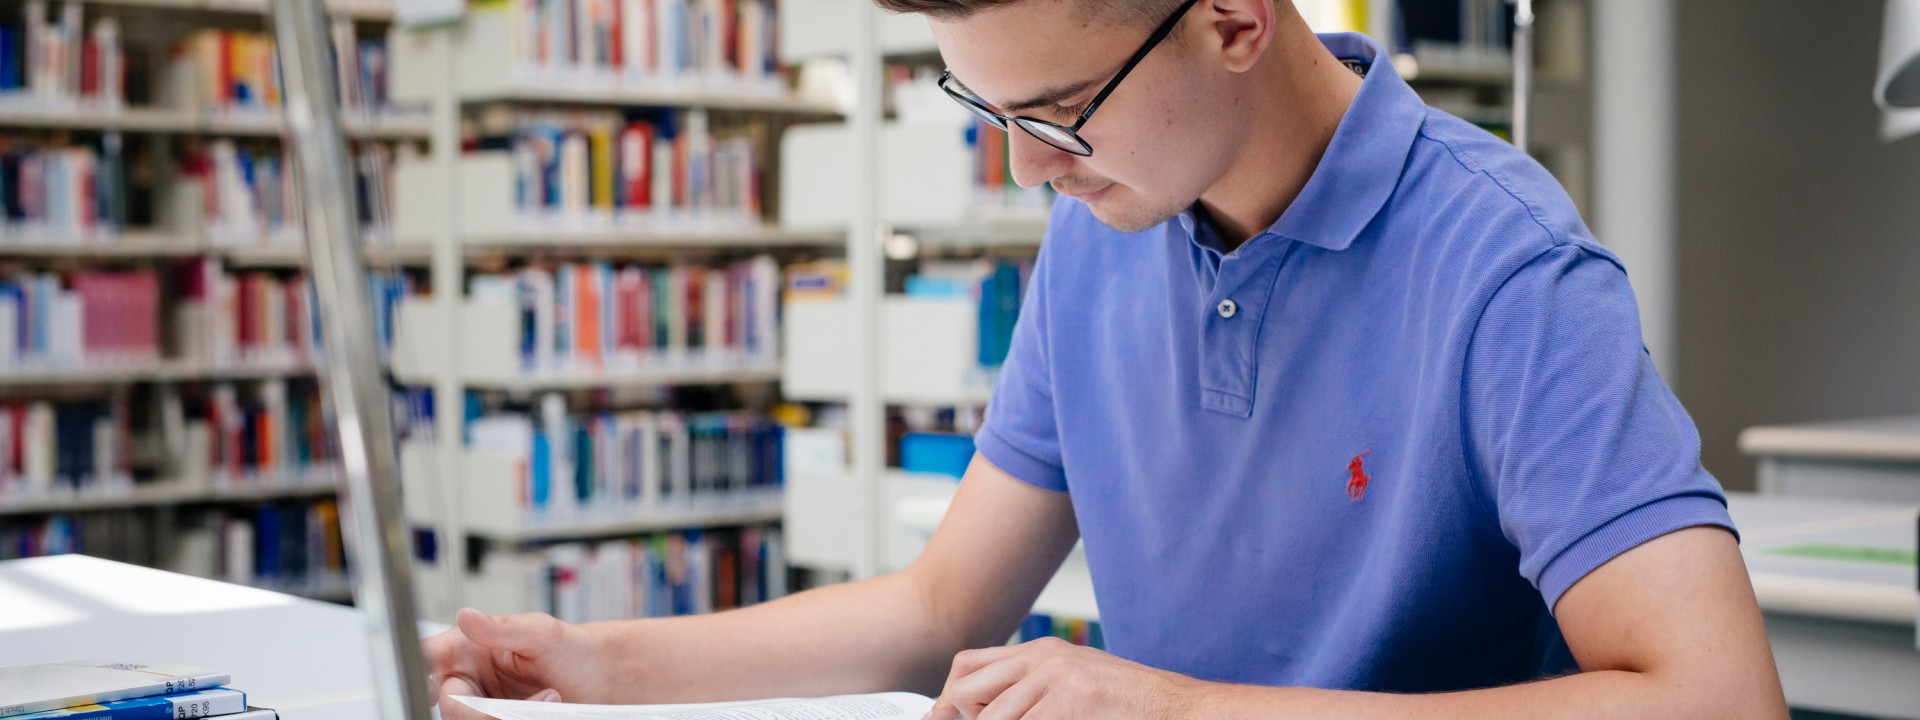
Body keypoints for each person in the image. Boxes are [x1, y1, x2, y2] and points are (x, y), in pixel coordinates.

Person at [425, 1, 1790, 717]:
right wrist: (595, 666)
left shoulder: (1505, 267)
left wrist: (1183, 713)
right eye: (990, 109)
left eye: (1062, 110)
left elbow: (1718, 701)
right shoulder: (1100, 229)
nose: (1028, 167)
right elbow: (941, 607)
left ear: (1238, 18)